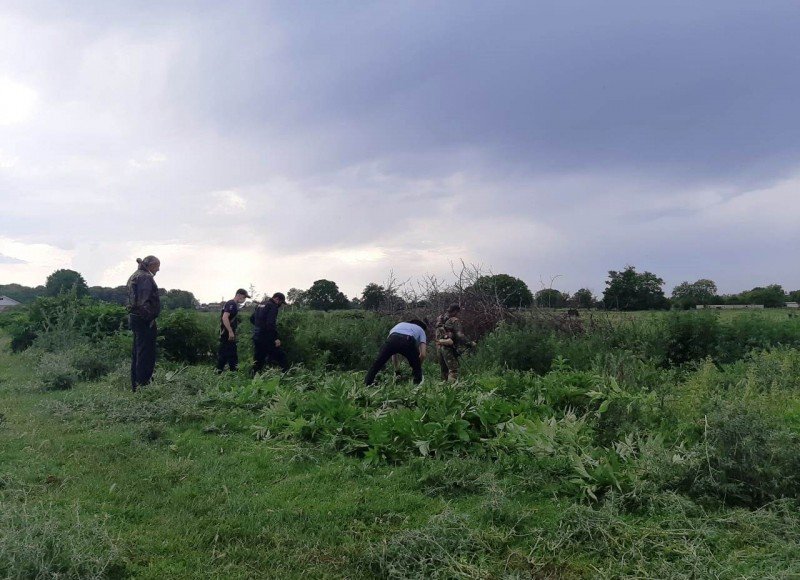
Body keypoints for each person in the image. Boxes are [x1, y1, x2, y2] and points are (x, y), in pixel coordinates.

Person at [126, 255, 161, 392]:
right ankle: (143, 387)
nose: (158, 269)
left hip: (135, 318)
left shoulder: (135, 275)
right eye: (157, 266)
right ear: (151, 265)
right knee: (146, 354)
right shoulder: (145, 277)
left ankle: (136, 386)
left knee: (138, 353)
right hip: (143, 319)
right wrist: (150, 319)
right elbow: (143, 302)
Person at [365, 319, 427, 385]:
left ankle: (368, 382)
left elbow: (394, 353)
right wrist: (417, 366)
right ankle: (416, 385)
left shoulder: (400, 324)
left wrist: (397, 371)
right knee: (416, 365)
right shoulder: (421, 330)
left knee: (378, 363)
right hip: (407, 340)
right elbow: (423, 354)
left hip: (392, 339)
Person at [435, 304, 475, 382]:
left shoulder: (442, 320)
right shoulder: (454, 320)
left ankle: (443, 390)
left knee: (444, 371)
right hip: (448, 348)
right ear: (456, 311)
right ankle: (453, 391)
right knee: (453, 370)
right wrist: (470, 343)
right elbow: (459, 335)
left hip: (439, 347)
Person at [251, 292, 289, 374]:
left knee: (258, 359)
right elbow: (270, 324)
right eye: (281, 303)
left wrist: (259, 326)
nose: (280, 305)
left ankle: (253, 377)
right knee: (281, 357)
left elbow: (251, 318)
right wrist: (275, 338)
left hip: (257, 336)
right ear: (277, 299)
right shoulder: (273, 306)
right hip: (266, 337)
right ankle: (285, 376)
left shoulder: (261, 304)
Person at [216, 288, 250, 372]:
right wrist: (230, 332)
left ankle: (222, 371)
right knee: (230, 353)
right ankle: (231, 371)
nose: (244, 299)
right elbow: (225, 317)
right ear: (239, 295)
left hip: (227, 332)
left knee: (227, 353)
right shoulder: (231, 303)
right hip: (227, 333)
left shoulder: (233, 304)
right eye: (244, 297)